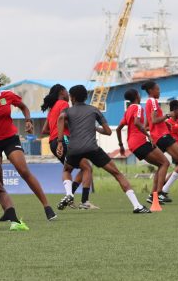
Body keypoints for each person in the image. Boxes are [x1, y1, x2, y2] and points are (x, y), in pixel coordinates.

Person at [0, 71, 57, 221]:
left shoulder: (8, 96)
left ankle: (47, 207)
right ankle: (8, 211)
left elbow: (24, 108)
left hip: (10, 139)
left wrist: (28, 120)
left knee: (24, 171)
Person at [57, 85, 150, 213]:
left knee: (67, 170)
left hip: (74, 149)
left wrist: (60, 142)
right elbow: (108, 132)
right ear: (85, 97)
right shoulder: (94, 110)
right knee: (117, 173)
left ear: (72, 98)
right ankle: (137, 206)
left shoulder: (67, 111)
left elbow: (61, 118)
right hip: (92, 148)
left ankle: (70, 194)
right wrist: (95, 128)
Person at [40, 84, 97, 210]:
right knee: (87, 167)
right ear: (62, 92)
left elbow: (44, 130)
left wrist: (55, 134)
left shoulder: (52, 108)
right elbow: (65, 120)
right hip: (64, 140)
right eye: (66, 91)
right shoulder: (63, 103)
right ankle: (85, 202)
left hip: (53, 143)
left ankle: (69, 196)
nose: (68, 95)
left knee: (70, 169)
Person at [115, 89, 170, 198]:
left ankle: (153, 196)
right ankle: (159, 193)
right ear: (136, 96)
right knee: (165, 163)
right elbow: (137, 122)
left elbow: (118, 129)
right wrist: (148, 136)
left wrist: (121, 145)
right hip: (140, 142)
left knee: (161, 165)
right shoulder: (138, 107)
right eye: (139, 94)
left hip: (132, 145)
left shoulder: (128, 110)